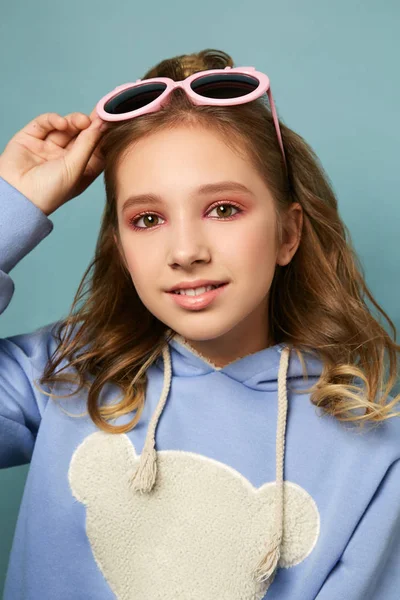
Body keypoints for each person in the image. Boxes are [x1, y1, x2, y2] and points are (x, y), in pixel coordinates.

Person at [0, 48, 399, 600]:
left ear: (288, 234)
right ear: (121, 248)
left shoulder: (375, 443)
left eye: (223, 209)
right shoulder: (61, 373)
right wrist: (12, 206)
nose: (185, 251)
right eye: (147, 219)